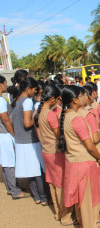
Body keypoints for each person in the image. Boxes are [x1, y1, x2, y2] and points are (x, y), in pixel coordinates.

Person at [58, 86, 100, 227]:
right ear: (75, 99)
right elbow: (90, 146)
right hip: (84, 163)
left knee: (81, 198)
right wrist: (98, 157)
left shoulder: (65, 115)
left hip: (74, 161)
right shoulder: (77, 119)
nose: (85, 98)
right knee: (87, 200)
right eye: (82, 96)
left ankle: (83, 222)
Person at [33, 85, 75, 225]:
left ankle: (58, 212)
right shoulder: (50, 115)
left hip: (46, 151)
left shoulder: (38, 113)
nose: (58, 101)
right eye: (57, 99)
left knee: (53, 183)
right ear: (52, 98)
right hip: (55, 152)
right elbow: (58, 134)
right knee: (61, 185)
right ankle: (65, 216)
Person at [11, 77, 48, 205]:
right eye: (34, 90)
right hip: (30, 141)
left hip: (20, 140)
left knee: (30, 171)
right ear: (27, 89)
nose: (34, 92)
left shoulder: (17, 100)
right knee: (38, 170)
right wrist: (38, 118)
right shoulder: (27, 101)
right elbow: (27, 123)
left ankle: (37, 196)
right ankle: (44, 197)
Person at [0, 76, 29, 199]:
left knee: (6, 162)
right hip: (5, 134)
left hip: (3, 133)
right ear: (1, 84)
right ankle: (15, 190)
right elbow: (5, 119)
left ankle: (11, 187)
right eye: (5, 83)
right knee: (9, 162)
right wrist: (13, 134)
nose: (6, 86)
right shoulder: (1, 101)